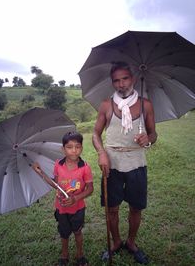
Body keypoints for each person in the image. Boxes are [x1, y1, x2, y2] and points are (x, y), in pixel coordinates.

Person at [92, 62, 157, 265]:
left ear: (133, 79)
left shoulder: (146, 104)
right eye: (116, 80)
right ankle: (116, 241)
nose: (121, 84)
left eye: (125, 78)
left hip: (137, 162)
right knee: (112, 208)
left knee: (136, 208)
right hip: (111, 163)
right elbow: (95, 133)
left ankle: (130, 242)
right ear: (113, 83)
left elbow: (154, 133)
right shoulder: (106, 104)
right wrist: (102, 153)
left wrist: (149, 138)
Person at [33, 131, 93, 266]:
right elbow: (56, 184)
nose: (74, 151)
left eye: (77, 147)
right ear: (63, 149)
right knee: (64, 233)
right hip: (61, 208)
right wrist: (41, 172)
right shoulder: (58, 165)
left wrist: (76, 198)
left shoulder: (85, 168)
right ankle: (64, 255)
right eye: (69, 147)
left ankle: (80, 255)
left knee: (77, 232)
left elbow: (90, 189)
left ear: (82, 148)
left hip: (78, 208)